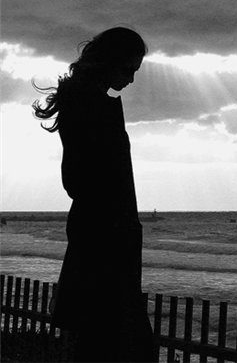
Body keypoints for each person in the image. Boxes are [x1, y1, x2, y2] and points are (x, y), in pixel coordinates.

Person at [33, 27, 157, 362]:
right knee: (116, 344)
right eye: (128, 69)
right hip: (105, 238)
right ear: (109, 62)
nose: (130, 79)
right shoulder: (93, 107)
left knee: (99, 342)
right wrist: (117, 224)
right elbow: (81, 178)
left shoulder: (86, 103)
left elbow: (77, 179)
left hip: (100, 232)